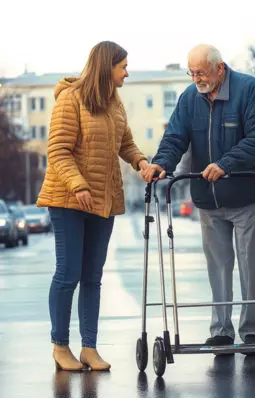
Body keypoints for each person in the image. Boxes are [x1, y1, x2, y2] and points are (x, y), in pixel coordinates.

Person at [142, 44, 255, 349]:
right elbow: (175, 136)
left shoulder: (248, 89)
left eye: (201, 71)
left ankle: (254, 330)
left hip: (244, 194)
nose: (196, 77)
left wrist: (226, 164)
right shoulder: (190, 97)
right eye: (192, 72)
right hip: (208, 199)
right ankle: (221, 330)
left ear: (220, 68)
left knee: (251, 265)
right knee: (218, 266)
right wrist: (162, 163)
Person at [37, 41, 149, 371]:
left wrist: (141, 162)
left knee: (93, 276)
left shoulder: (114, 103)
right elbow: (58, 151)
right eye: (122, 66)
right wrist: (78, 184)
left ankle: (89, 348)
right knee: (68, 272)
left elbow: (125, 142)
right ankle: (60, 346)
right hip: (69, 199)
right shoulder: (70, 100)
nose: (127, 73)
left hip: (103, 200)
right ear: (106, 66)